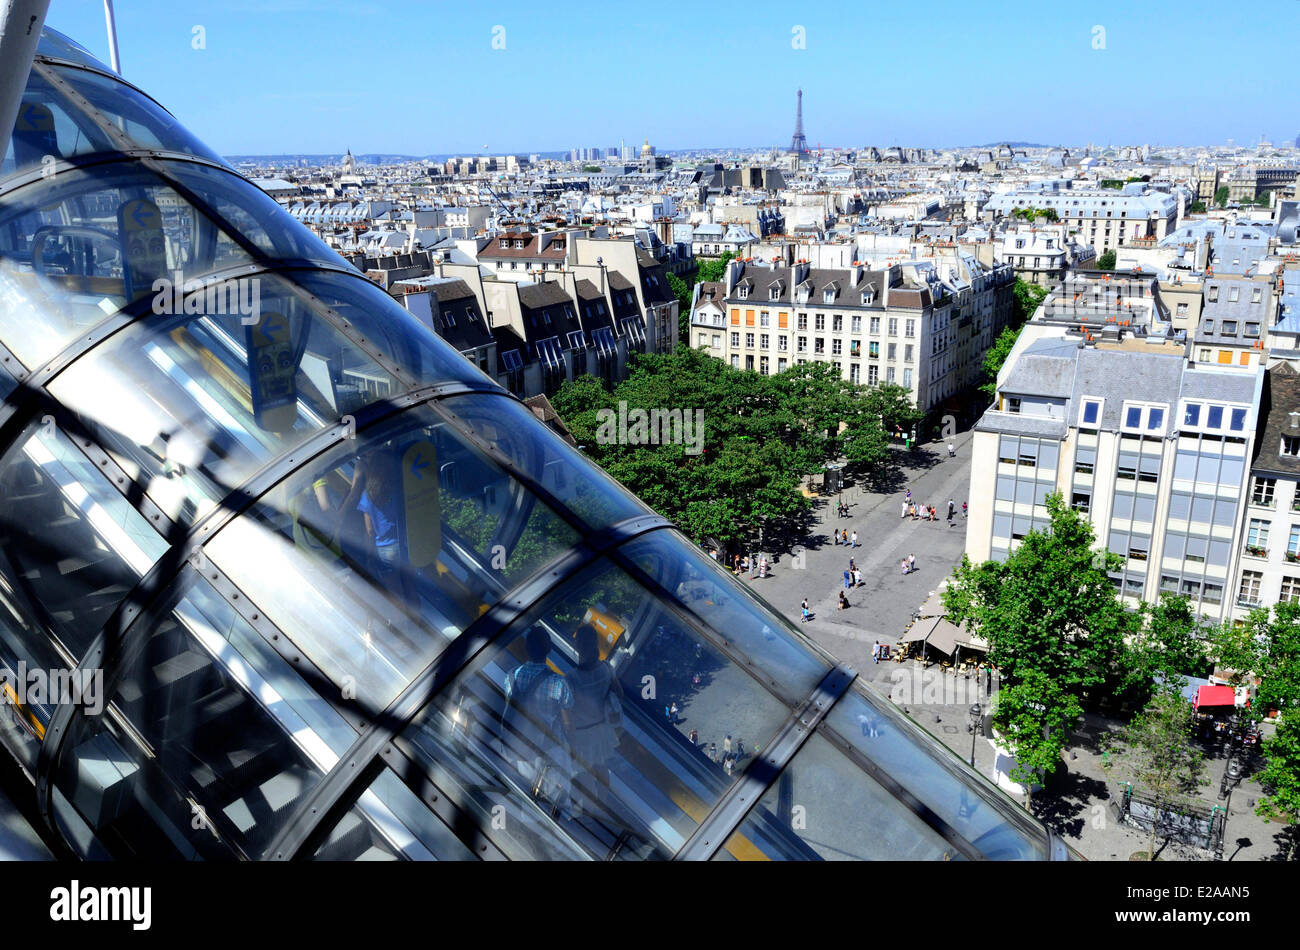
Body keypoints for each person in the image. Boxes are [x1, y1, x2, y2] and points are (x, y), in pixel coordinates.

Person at [503, 627, 574, 813]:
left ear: (527, 648)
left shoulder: (511, 676)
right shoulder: (559, 683)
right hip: (545, 750)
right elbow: (568, 725)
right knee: (559, 793)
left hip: (515, 746)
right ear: (548, 649)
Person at [566, 623, 623, 788]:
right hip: (601, 730)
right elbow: (620, 695)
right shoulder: (606, 668)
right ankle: (604, 802)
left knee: (584, 772)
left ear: (578, 646)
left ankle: (591, 807)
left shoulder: (570, 679)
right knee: (602, 767)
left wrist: (569, 744)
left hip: (581, 735)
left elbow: (567, 720)